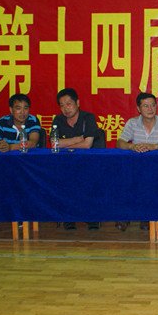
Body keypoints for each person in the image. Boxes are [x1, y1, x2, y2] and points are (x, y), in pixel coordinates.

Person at [116, 92, 158, 231]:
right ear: (138, 108)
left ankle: (147, 216)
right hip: (136, 166)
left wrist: (155, 147)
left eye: (153, 105)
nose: (150, 109)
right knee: (124, 177)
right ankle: (126, 215)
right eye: (146, 106)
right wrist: (132, 146)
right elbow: (120, 143)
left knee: (156, 180)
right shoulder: (132, 123)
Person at [52, 88, 101, 230]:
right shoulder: (58, 120)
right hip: (65, 162)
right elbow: (54, 144)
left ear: (77, 103)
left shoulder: (88, 118)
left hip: (87, 161)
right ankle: (69, 217)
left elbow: (87, 145)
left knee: (87, 178)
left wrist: (65, 145)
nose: (66, 108)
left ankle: (91, 217)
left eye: (69, 104)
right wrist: (77, 139)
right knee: (63, 176)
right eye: (62, 105)